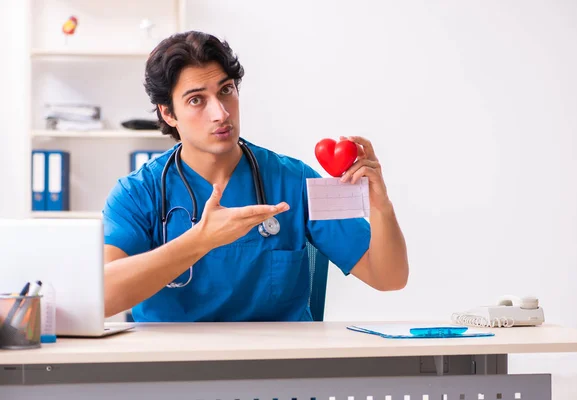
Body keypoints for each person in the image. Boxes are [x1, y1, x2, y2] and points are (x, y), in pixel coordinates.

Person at [102, 31, 409, 322]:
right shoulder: (137, 194)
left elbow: (389, 277)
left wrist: (382, 206)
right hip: (171, 366)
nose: (221, 113)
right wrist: (200, 240)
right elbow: (102, 297)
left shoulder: (295, 181)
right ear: (168, 113)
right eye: (197, 100)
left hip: (278, 365)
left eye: (226, 90)